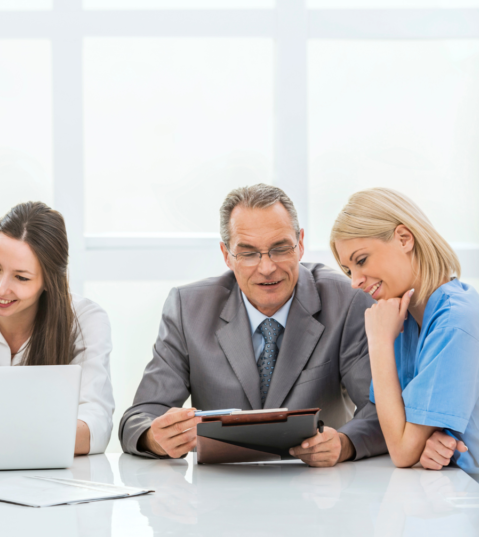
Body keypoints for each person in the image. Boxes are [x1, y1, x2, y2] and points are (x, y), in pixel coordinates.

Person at [120, 184, 386, 466]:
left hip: (316, 487)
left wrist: (344, 444)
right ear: (226, 255)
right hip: (221, 492)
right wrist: (155, 437)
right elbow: (138, 418)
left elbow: (381, 409)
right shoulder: (188, 308)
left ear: (301, 244)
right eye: (248, 254)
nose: (267, 267)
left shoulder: (347, 301)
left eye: (280, 248)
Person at [330, 188, 479, 491]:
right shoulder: (404, 317)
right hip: (451, 489)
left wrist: (379, 342)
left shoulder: (455, 322)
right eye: (348, 270)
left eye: (362, 260)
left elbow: (403, 451)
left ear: (404, 238)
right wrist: (427, 440)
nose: (354, 282)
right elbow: (392, 423)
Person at [0, 201, 115, 455]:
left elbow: (95, 428)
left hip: (51, 480)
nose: (1, 289)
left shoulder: (86, 320)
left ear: (49, 281)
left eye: (21, 277)